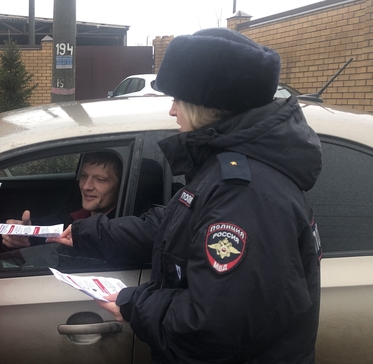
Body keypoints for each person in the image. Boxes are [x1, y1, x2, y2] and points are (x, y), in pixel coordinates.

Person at [86, 28, 323, 363]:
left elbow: (213, 322)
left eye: (178, 99)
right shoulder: (226, 171)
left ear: (206, 107)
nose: (172, 111)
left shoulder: (244, 191)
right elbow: (173, 227)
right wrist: (85, 232)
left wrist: (133, 304)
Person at [1, 151, 122, 249]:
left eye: (100, 179)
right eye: (84, 176)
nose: (86, 186)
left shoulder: (120, 232)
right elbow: (45, 229)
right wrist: (25, 234)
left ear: (120, 186)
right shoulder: (74, 213)